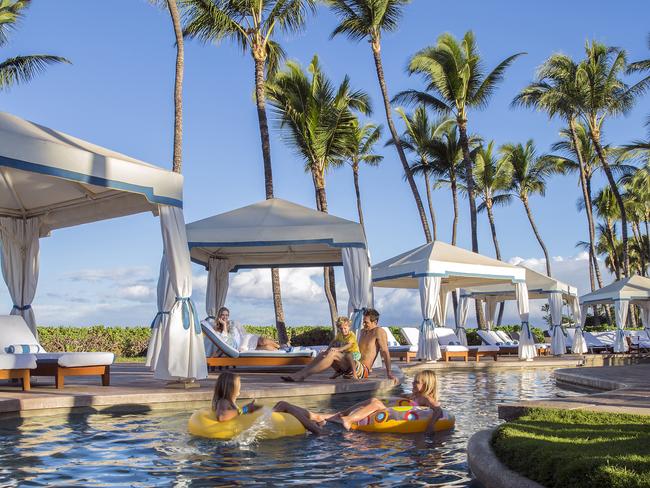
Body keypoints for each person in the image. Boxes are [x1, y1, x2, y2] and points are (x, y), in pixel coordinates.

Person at [281, 308, 396, 383]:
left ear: (375, 322)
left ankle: (302, 375)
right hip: (352, 364)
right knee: (324, 354)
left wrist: (389, 372)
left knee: (334, 354)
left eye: (366, 322)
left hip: (362, 370)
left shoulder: (379, 332)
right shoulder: (363, 331)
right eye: (363, 322)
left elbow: (385, 352)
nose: (363, 324)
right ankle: (299, 374)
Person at [212, 372, 326, 434]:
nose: (240, 388)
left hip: (257, 421)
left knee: (283, 405)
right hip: (259, 423)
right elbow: (222, 417)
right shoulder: (223, 402)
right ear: (231, 388)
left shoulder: (228, 402)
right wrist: (246, 409)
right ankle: (316, 429)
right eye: (238, 385)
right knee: (283, 405)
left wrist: (251, 408)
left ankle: (313, 421)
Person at [328, 370, 443, 432]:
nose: (412, 383)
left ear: (426, 385)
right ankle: (345, 413)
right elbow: (400, 398)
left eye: (416, 382)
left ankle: (348, 419)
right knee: (374, 400)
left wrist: (431, 425)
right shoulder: (414, 396)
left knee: (377, 403)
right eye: (413, 381)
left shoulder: (426, 398)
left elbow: (438, 410)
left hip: (395, 418)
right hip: (392, 413)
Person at [213, 307, 281, 351]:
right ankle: (280, 351)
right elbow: (225, 339)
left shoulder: (232, 323)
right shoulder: (217, 330)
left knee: (263, 341)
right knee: (266, 347)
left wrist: (247, 336)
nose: (225, 317)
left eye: (227, 315)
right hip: (239, 347)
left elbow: (243, 331)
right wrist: (224, 324)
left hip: (245, 339)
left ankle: (280, 348)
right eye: (223, 315)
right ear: (219, 315)